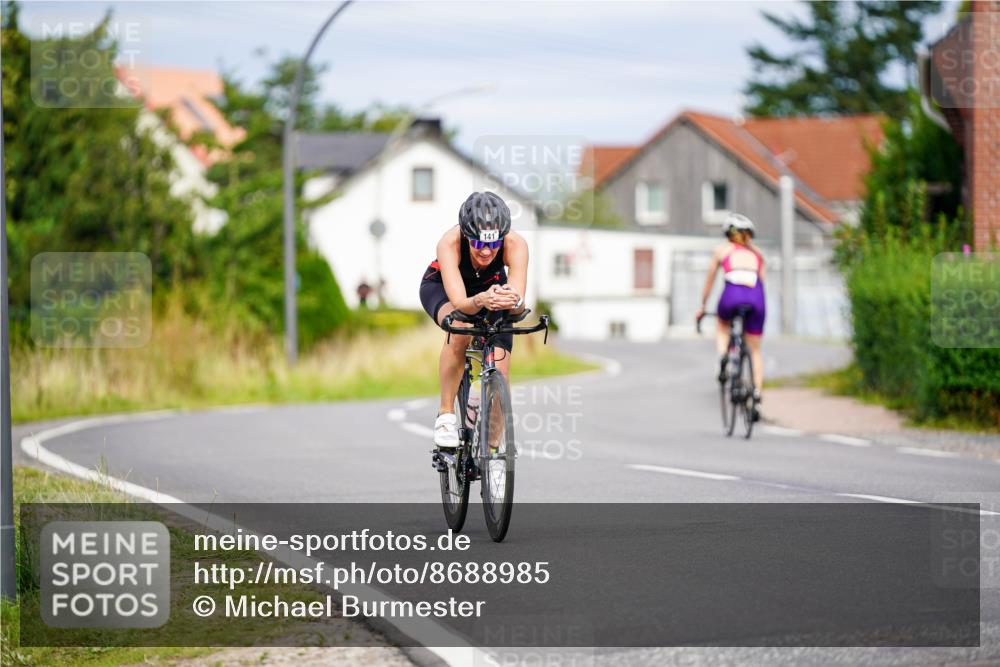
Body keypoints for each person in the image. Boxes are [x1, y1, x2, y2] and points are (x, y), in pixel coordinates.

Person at [419, 192, 529, 448]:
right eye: (478, 244)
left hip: (492, 291)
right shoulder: (449, 243)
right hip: (445, 290)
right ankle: (446, 415)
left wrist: (514, 302)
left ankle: (493, 452)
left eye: (494, 244)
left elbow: (517, 297)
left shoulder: (517, 244)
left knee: (501, 371)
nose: (487, 252)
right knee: (460, 328)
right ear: (467, 236)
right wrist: (480, 300)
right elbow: (459, 303)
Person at [695, 212, 766, 419]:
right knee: (755, 350)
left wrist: (702, 306)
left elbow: (710, 280)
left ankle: (723, 356)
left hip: (731, 295)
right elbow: (762, 282)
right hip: (756, 298)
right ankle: (757, 395)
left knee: (722, 324)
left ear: (728, 235)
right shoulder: (758, 254)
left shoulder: (722, 250)